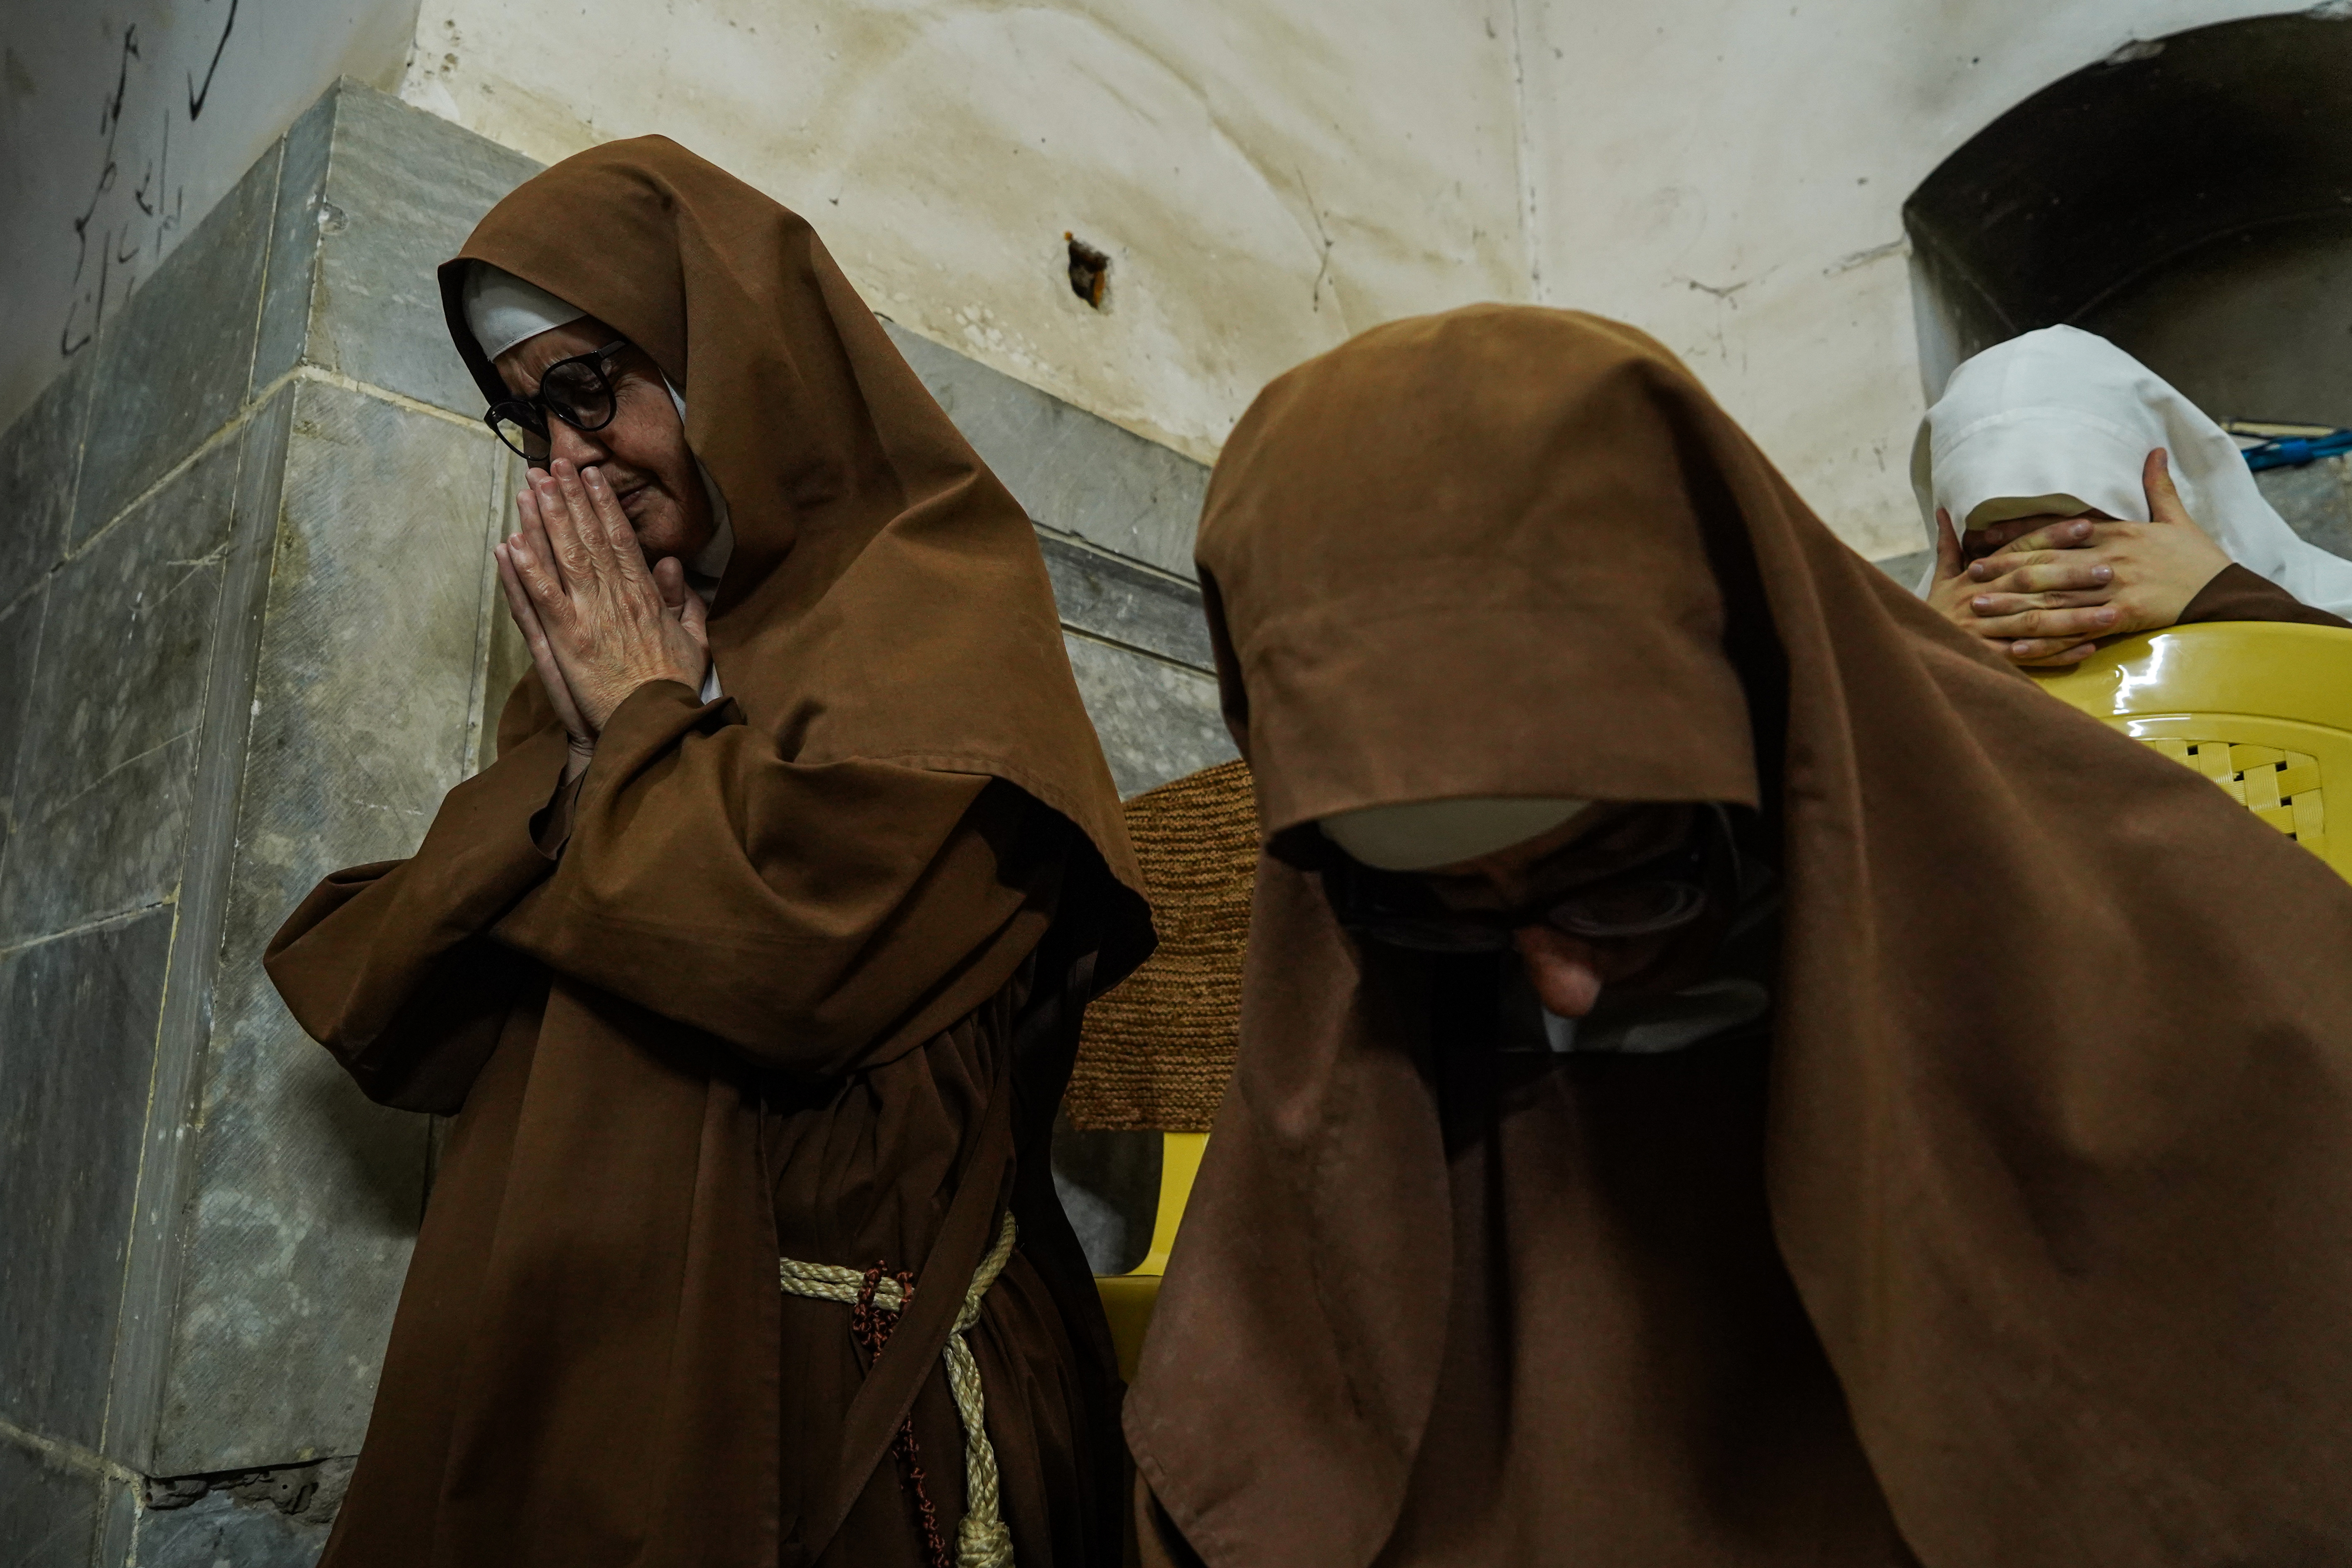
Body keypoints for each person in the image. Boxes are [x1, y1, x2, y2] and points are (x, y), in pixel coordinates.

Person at [1122, 304, 2352, 1566]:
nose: (1562, 981)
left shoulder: (2186, 939)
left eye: (1624, 874)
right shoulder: (1351, 1014)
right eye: (1449, 904)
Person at [263, 138, 1152, 1568]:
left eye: (587, 387)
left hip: (827, 1399)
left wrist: (631, 732)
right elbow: (406, 1012)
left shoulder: (937, 606)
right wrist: (592, 754)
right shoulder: (627, 655)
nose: (565, 459)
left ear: (732, 356)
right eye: (522, 419)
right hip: (550, 1370)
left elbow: (785, 958)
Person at [1913, 324, 2352, 666]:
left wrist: (2222, 594)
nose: (2045, 584)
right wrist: (1924, 657)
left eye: (2088, 538)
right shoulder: (1932, 641)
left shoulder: (2329, 601)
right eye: (1997, 554)